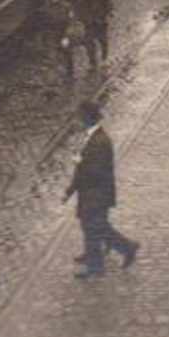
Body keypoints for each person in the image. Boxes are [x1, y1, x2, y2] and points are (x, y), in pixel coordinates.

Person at [63, 101, 139, 278]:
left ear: (88, 117)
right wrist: (71, 189)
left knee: (94, 227)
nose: (78, 120)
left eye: (80, 116)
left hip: (96, 192)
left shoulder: (100, 142)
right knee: (93, 226)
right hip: (90, 192)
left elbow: (94, 171)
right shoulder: (90, 137)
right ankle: (121, 249)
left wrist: (79, 164)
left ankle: (97, 265)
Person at [75, 0, 113, 71]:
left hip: (100, 18)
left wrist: (110, 12)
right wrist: (80, 17)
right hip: (89, 20)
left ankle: (105, 59)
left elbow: (107, 0)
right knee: (89, 42)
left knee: (103, 40)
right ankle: (92, 62)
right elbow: (80, 4)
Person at [39, 0, 78, 82]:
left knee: (67, 54)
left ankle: (70, 74)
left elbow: (71, 22)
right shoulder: (46, 6)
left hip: (63, 33)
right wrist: (44, 37)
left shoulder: (66, 6)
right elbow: (44, 23)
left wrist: (66, 37)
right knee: (52, 56)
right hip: (52, 34)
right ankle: (54, 79)